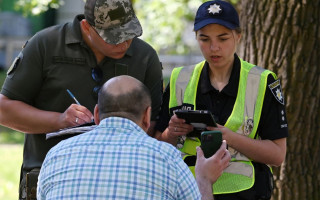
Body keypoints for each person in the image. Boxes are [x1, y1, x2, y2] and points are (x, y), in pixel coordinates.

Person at [0, 0, 163, 199]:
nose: (125, 43)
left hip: (123, 183)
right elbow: (4, 109)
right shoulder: (46, 44)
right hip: (51, 180)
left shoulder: (145, 57)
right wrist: (59, 121)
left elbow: (152, 123)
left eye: (129, 33)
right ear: (86, 26)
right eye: (114, 37)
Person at [154, 1, 288, 199]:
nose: (214, 47)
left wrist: (229, 137)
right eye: (204, 39)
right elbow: (157, 144)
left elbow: (277, 155)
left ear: (238, 36)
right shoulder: (179, 78)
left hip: (244, 192)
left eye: (223, 38)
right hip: (187, 190)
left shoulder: (262, 81)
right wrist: (171, 133)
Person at [36, 75, 231, 200]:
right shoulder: (167, 157)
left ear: (96, 114)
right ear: (147, 116)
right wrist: (204, 180)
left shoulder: (56, 154)